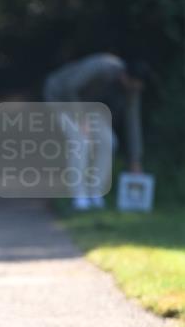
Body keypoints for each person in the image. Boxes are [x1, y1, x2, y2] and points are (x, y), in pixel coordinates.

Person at [43, 52, 145, 210]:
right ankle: (79, 196)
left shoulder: (132, 89)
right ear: (125, 76)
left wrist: (135, 159)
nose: (133, 90)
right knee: (81, 141)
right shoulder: (102, 67)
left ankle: (95, 192)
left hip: (89, 107)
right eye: (132, 86)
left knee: (109, 142)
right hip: (61, 97)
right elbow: (70, 87)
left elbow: (132, 122)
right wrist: (81, 119)